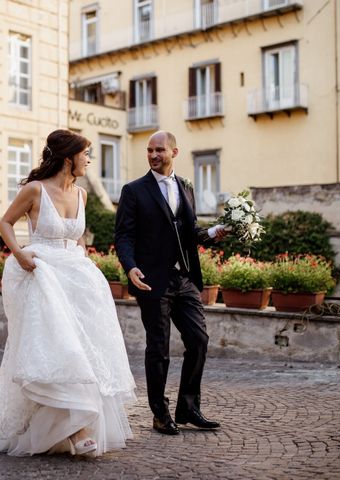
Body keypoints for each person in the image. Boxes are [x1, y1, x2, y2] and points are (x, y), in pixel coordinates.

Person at [0, 129, 136, 456]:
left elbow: (77, 238)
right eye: (86, 154)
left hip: (76, 280)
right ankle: (79, 431)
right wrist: (20, 253)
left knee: (85, 350)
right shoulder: (35, 190)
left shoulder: (81, 195)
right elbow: (5, 223)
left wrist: (85, 262)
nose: (89, 160)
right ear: (69, 158)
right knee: (61, 350)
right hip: (42, 275)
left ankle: (72, 427)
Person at [114, 130, 226, 436]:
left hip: (185, 278)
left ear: (174, 153)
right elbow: (123, 236)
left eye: (159, 150)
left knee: (198, 340)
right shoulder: (133, 190)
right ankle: (160, 413)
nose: (153, 155)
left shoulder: (186, 187)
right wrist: (131, 266)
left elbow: (189, 231)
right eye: (149, 150)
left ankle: (189, 408)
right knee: (159, 347)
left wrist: (213, 233)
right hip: (152, 281)